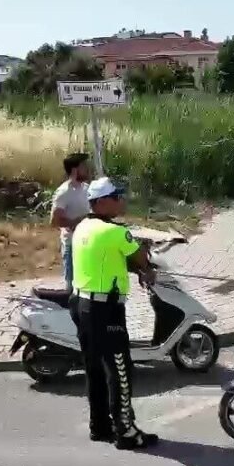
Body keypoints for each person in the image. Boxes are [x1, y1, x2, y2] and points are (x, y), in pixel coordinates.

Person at [70, 177, 159, 450]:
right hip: (105, 310)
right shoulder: (115, 232)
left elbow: (109, 259)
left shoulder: (83, 227)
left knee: (94, 368)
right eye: (116, 196)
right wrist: (147, 268)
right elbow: (140, 258)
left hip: (81, 304)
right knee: (120, 370)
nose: (121, 200)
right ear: (101, 202)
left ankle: (99, 426)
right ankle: (126, 432)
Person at [50, 153, 93, 291]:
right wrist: (79, 222)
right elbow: (55, 221)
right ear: (75, 170)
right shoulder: (63, 192)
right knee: (72, 287)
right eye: (84, 166)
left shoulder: (87, 189)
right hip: (72, 244)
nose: (88, 169)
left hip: (89, 243)